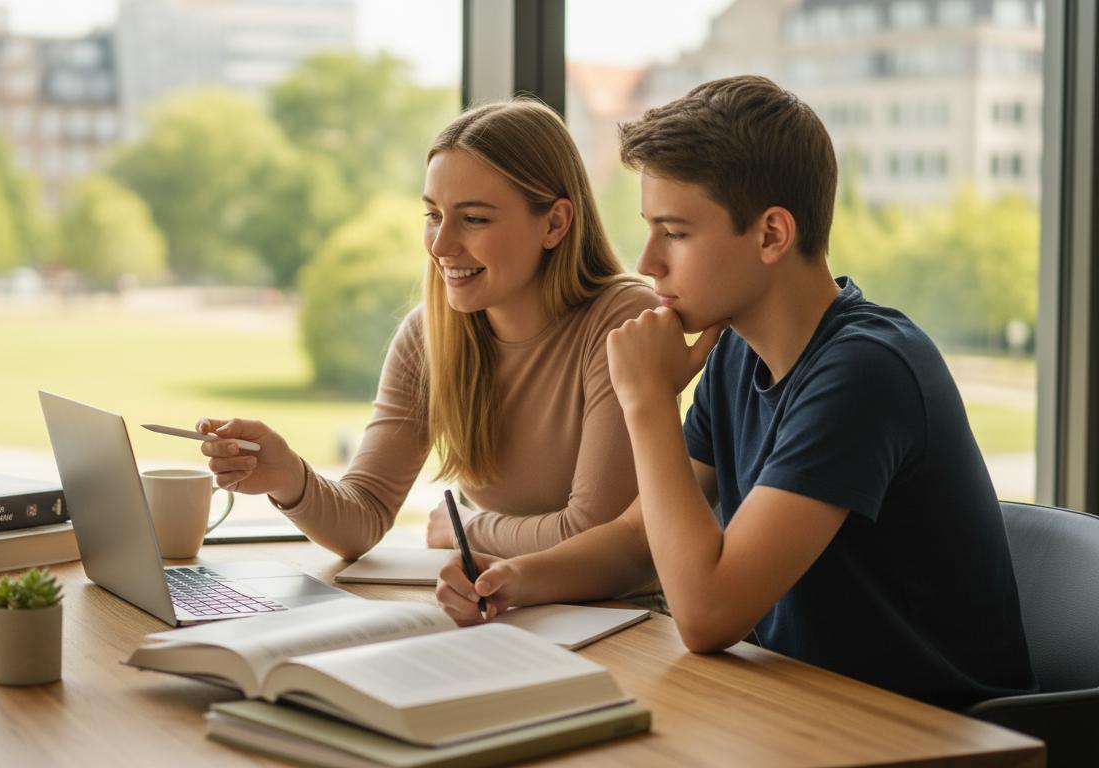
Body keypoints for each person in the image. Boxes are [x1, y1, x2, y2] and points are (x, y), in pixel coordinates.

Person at [435, 76, 1037, 708]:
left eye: (675, 232)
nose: (648, 261)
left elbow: (707, 614)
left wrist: (647, 401)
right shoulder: (736, 353)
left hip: (935, 734)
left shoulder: (866, 371)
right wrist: (514, 580)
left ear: (772, 235)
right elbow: (642, 539)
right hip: (805, 710)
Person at [194, 99, 659, 561]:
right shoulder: (430, 333)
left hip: (620, 615)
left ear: (555, 223)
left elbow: (593, 533)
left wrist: (468, 528)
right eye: (433, 215)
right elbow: (364, 517)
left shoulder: (621, 322)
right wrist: (290, 477)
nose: (440, 245)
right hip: (500, 604)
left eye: (474, 219)